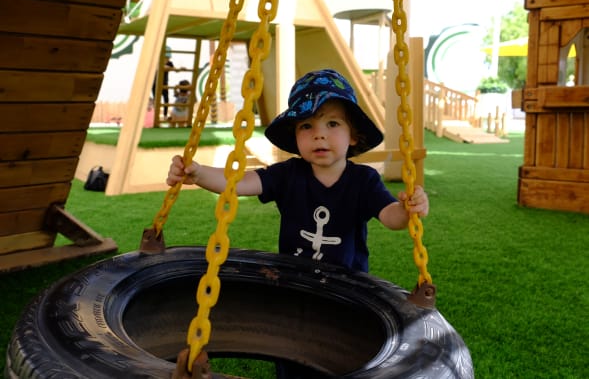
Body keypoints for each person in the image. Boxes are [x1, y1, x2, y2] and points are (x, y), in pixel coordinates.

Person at [166, 68, 429, 378]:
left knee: (339, 361)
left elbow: (390, 216)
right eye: (307, 125)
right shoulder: (288, 174)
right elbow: (240, 182)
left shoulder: (364, 181)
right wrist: (198, 173)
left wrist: (408, 209)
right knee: (292, 357)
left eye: (332, 123)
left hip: (346, 298)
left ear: (353, 135)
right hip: (293, 293)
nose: (319, 134)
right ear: (296, 136)